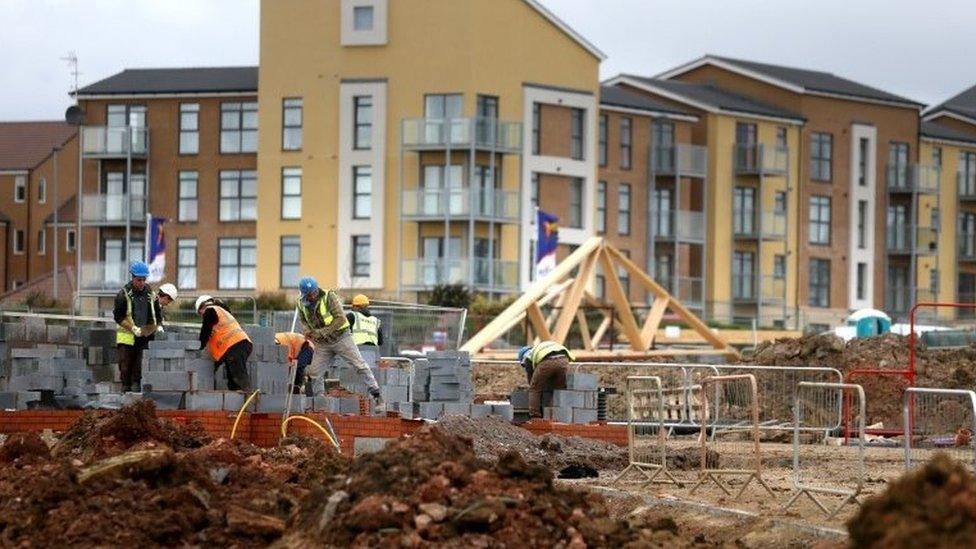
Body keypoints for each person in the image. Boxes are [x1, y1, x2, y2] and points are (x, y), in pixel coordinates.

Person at [296, 276, 382, 404]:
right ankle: (320, 402)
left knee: (359, 364)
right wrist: (307, 330)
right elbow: (303, 320)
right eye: (309, 295)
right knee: (314, 373)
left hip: (341, 337)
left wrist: (321, 332)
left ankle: (376, 393)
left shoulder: (329, 296)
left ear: (317, 289)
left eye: (314, 293)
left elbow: (341, 319)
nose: (312, 296)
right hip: (323, 344)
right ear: (304, 295)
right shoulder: (301, 303)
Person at [113, 261, 161, 393]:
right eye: (139, 280)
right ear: (132, 277)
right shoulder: (123, 295)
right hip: (127, 338)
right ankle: (125, 391)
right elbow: (118, 317)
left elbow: (156, 313)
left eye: (144, 280)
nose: (141, 283)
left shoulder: (150, 294)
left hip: (145, 337)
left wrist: (158, 326)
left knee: (140, 369)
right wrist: (133, 328)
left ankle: (137, 393)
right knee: (125, 368)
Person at [195, 295, 252, 390]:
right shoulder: (222, 311)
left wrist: (199, 347)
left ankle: (247, 399)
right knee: (232, 378)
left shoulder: (210, 310)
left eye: (200, 313)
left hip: (235, 345)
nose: (202, 316)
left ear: (202, 307)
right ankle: (237, 400)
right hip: (239, 345)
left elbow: (205, 331)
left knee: (238, 376)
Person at [518, 341, 574, 418]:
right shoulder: (540, 349)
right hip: (564, 360)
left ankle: (535, 416)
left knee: (534, 389)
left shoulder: (528, 357)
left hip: (548, 360)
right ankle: (553, 415)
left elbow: (532, 381)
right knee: (559, 390)